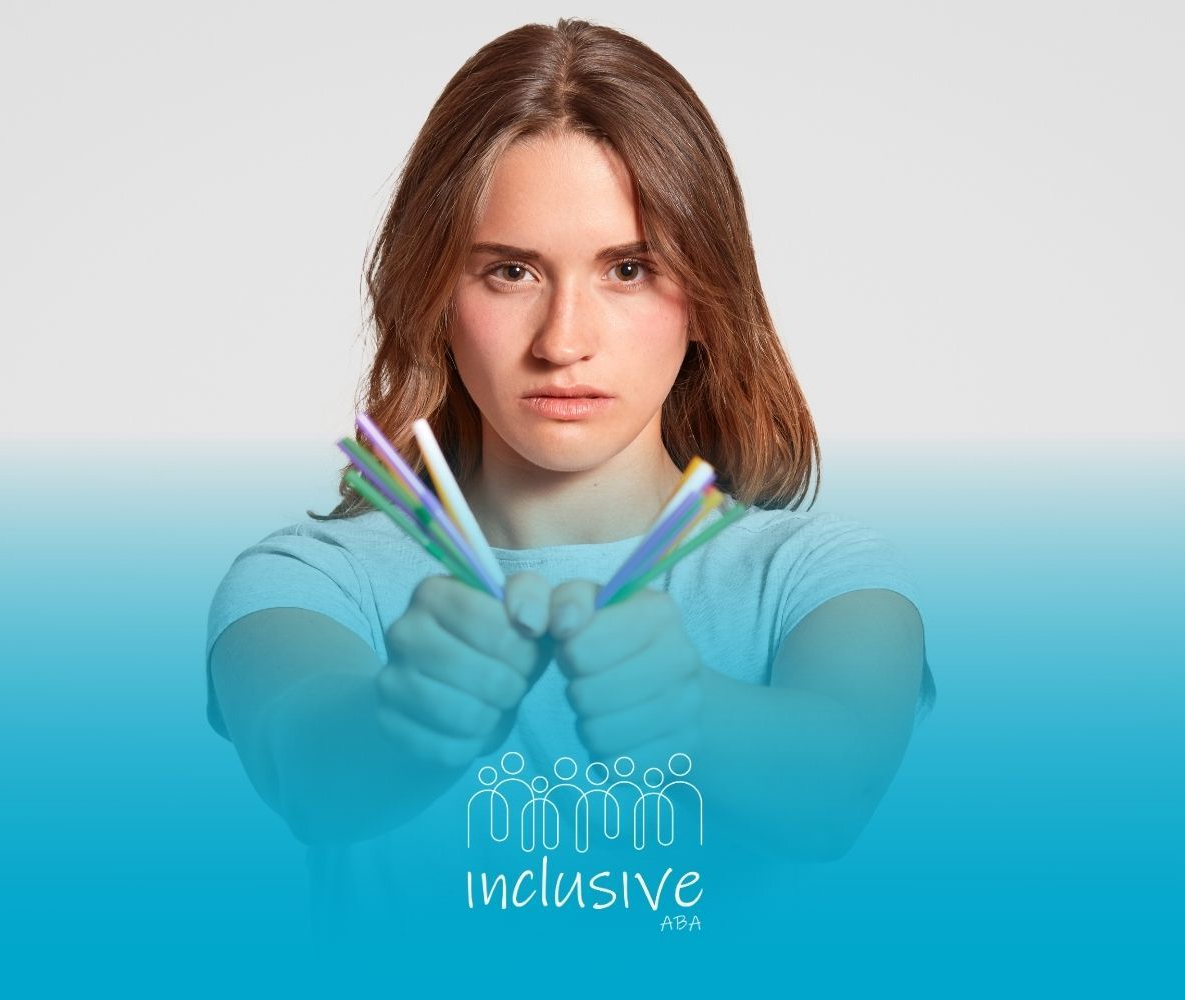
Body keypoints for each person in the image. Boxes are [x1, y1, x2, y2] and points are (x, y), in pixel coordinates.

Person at [206, 17, 935, 942]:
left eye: (628, 269)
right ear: (435, 297)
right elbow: (306, 773)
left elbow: (835, 793)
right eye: (510, 272)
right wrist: (402, 717)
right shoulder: (311, 579)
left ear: (709, 299)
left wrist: (690, 712)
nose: (562, 343)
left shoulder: (824, 579)